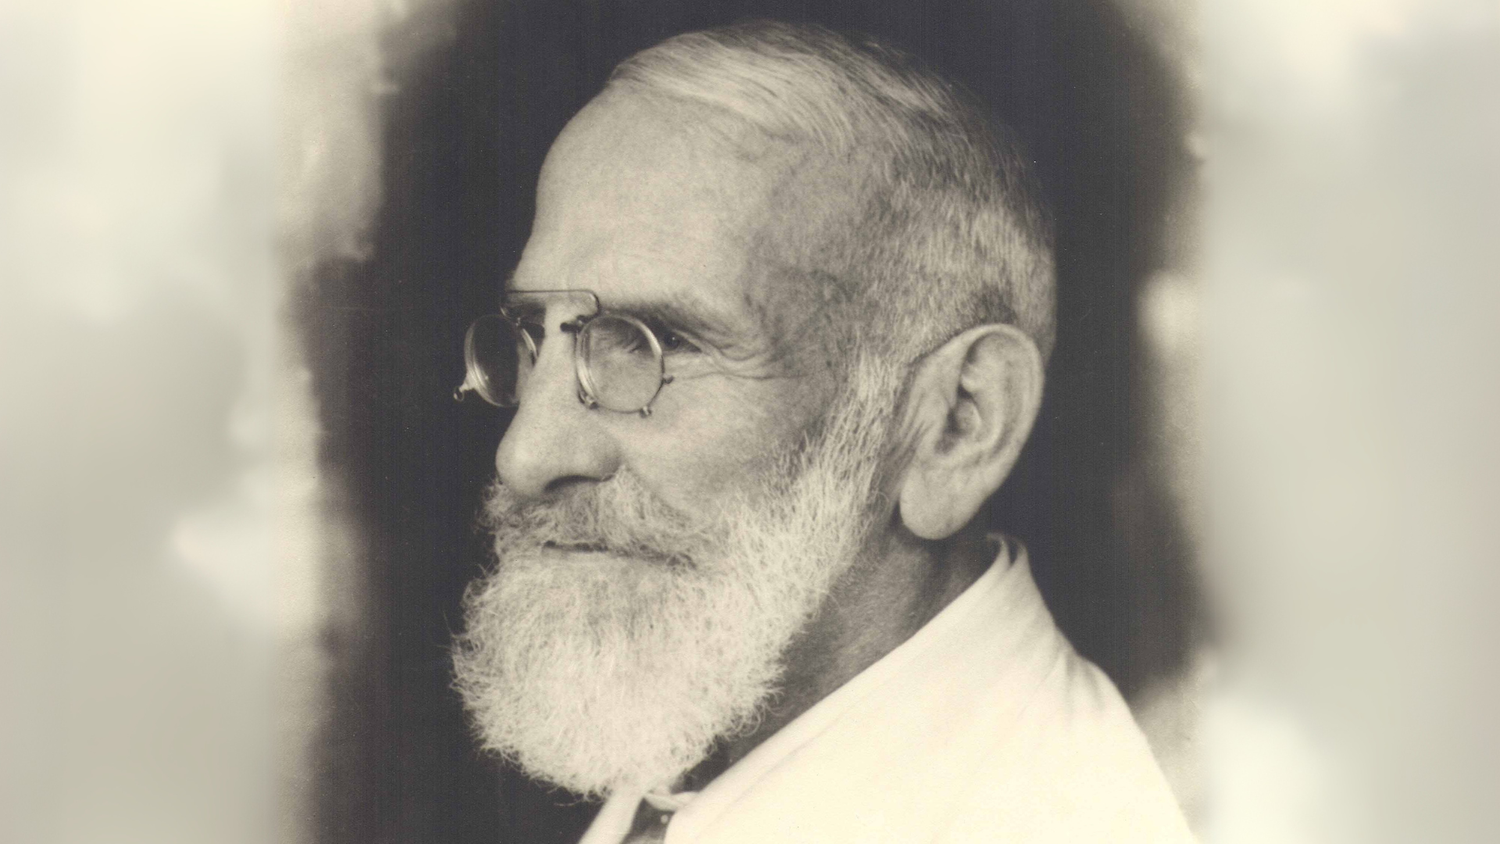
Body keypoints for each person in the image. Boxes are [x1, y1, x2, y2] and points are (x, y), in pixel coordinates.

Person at [450, 20, 1194, 844]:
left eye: (653, 346)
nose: (523, 456)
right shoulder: (712, 742)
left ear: (956, 425)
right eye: (530, 339)